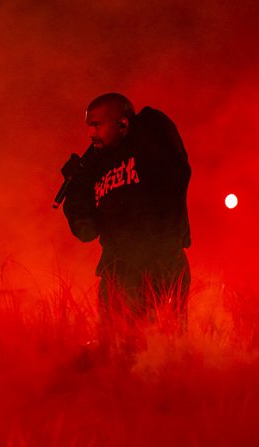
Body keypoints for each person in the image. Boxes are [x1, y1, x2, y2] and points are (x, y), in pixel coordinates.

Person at [61, 93, 191, 339]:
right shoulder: (97, 169)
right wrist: (76, 188)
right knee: (115, 348)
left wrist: (139, 122)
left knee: (158, 346)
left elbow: (175, 163)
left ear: (123, 124)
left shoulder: (150, 148)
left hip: (160, 263)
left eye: (97, 125)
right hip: (115, 271)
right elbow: (86, 232)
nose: (91, 134)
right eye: (89, 126)